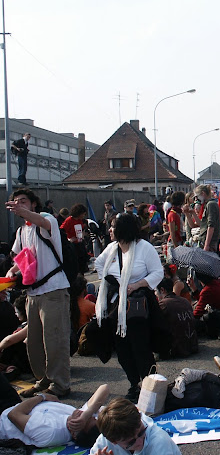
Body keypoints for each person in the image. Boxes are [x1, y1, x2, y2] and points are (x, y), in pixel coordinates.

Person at [5, 189, 72, 398]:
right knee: (33, 342)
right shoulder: (21, 232)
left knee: (54, 340)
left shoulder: (46, 219)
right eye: (15, 202)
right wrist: (11, 271)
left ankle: (60, 384)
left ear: (34, 203)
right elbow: (23, 256)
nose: (19, 204)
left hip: (54, 290)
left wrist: (23, 212)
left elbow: (42, 223)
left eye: (23, 201)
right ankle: (42, 380)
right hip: (33, 293)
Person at [94, 213, 164, 402]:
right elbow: (99, 264)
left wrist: (138, 284)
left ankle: (152, 385)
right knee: (123, 349)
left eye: (113, 226)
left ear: (123, 229)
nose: (109, 230)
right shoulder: (111, 248)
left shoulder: (144, 248)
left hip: (139, 306)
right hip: (118, 306)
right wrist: (114, 283)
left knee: (141, 347)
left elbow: (158, 272)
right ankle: (135, 384)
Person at [0, 376, 107, 449]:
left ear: (74, 434)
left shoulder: (50, 431)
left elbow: (13, 415)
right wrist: (86, 415)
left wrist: (42, 397)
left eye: (86, 421)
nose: (92, 417)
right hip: (14, 404)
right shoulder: (80, 417)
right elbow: (104, 388)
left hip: (3, 416)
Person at [90, 397, 181, 455]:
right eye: (131, 442)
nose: (140, 442)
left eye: (141, 432)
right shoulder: (104, 442)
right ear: (113, 441)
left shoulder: (159, 441)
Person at [156, 277, 198, 359]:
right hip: (192, 344)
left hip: (177, 348)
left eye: (155, 291)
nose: (155, 294)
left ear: (162, 290)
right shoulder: (184, 301)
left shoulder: (163, 304)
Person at [61, 203, 90, 273]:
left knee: (82, 265)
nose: (84, 215)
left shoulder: (80, 221)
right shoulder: (69, 220)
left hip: (80, 244)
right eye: (83, 214)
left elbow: (82, 230)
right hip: (73, 245)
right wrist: (69, 239)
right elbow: (61, 230)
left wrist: (83, 236)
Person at [192, 184, 220, 252]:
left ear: (203, 193)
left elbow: (211, 226)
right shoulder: (208, 204)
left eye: (197, 196)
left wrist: (206, 245)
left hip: (210, 243)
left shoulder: (211, 204)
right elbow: (203, 224)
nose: (196, 199)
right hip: (207, 241)